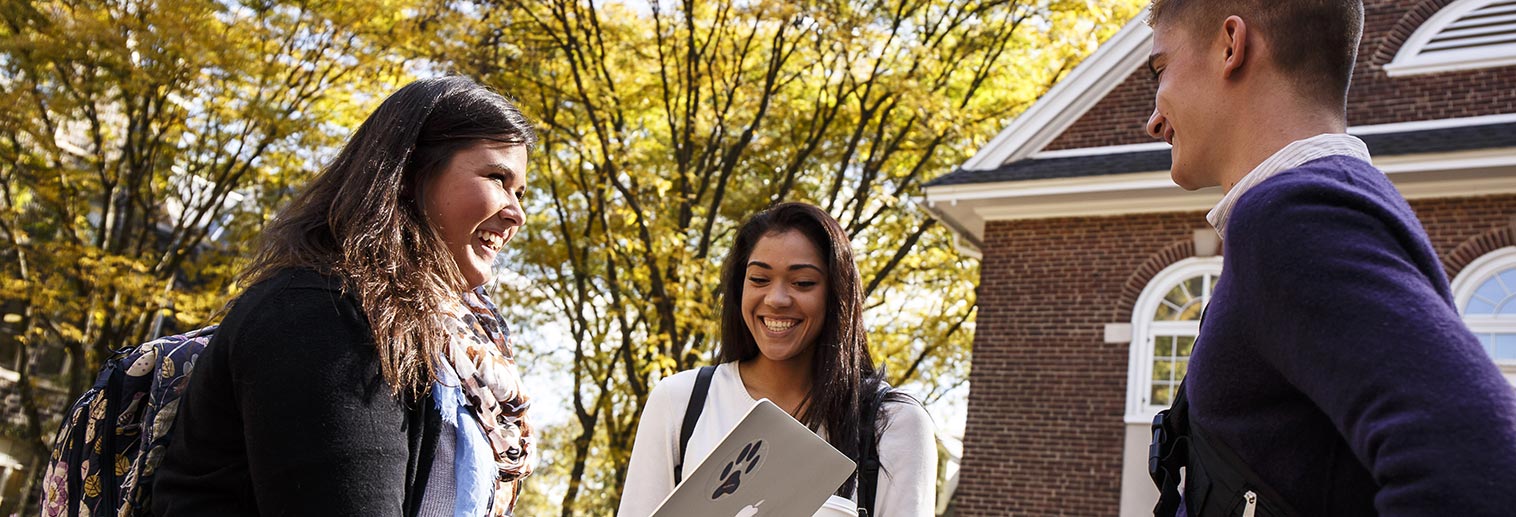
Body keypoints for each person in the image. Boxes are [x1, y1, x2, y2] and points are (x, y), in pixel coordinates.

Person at [1143, 0, 1516, 515]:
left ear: (1231, 46)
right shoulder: (1315, 205)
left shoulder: (1295, 214)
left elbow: (1480, 468)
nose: (1153, 119)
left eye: (1161, 70)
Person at [153, 76, 538, 516]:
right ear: (410, 174)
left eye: (519, 192)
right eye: (497, 178)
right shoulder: (323, 314)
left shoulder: (438, 340)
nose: (517, 213)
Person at [617, 203, 937, 517]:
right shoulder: (680, 402)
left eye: (802, 283)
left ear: (837, 294)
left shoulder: (893, 422)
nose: (776, 299)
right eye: (759, 279)